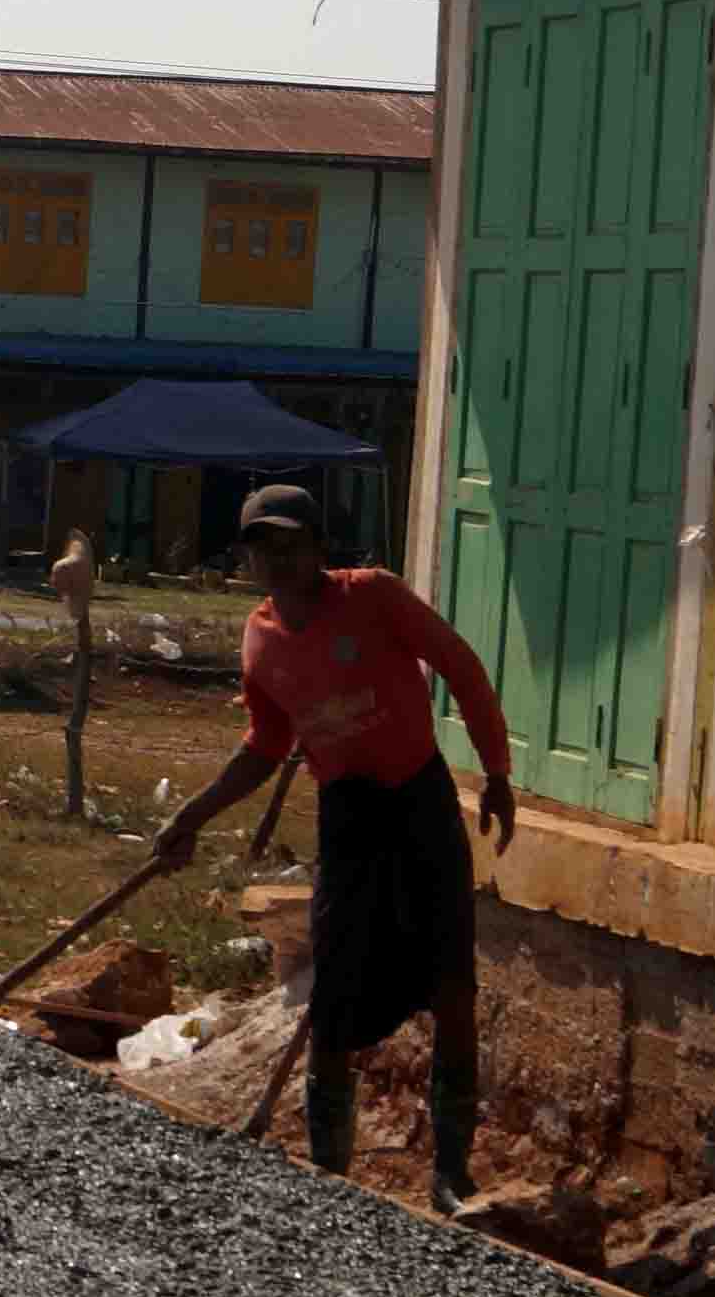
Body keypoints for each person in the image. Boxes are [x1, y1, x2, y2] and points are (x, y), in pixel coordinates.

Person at [155, 485, 517, 1212]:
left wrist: (498, 773)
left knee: (452, 988)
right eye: (262, 548)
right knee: (333, 1000)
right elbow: (265, 746)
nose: (277, 560)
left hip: (419, 806)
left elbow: (461, 667)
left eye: (291, 545)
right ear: (247, 559)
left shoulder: (373, 597)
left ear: (319, 548)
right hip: (349, 822)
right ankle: (329, 1183)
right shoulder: (260, 640)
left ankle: (451, 1174)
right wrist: (191, 816)